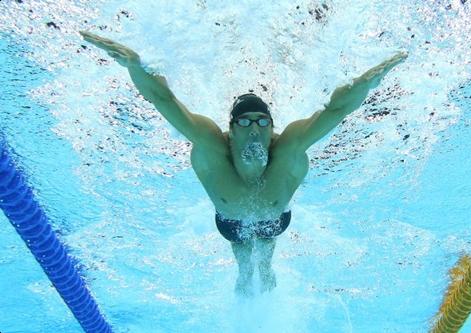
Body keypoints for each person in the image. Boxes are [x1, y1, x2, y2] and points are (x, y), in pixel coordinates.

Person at [80, 31, 407, 296]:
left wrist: (366, 82)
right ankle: (245, 272)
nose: (254, 129)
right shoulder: (211, 144)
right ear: (231, 130)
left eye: (262, 123)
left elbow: (335, 110)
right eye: (246, 122)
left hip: (275, 218)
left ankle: (265, 268)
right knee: (242, 256)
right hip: (231, 223)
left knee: (265, 253)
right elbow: (164, 100)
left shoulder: (290, 145)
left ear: (273, 129)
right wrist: (135, 66)